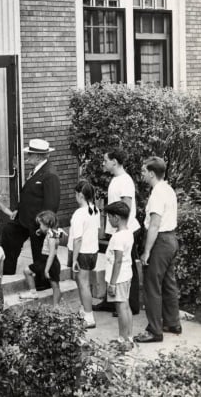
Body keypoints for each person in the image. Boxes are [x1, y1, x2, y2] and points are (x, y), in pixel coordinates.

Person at [2, 139, 60, 291]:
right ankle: (8, 268)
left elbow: (52, 203)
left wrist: (45, 226)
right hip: (24, 217)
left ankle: (44, 281)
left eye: (30, 154)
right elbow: (29, 194)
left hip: (38, 221)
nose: (27, 155)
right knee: (9, 232)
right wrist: (18, 209)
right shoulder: (37, 170)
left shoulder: (50, 174)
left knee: (40, 250)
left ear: (39, 156)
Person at [134, 156, 181, 344]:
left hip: (160, 241)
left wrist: (146, 252)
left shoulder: (156, 194)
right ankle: (172, 322)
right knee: (168, 283)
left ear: (152, 173)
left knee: (152, 286)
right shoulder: (168, 189)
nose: (142, 174)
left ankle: (155, 330)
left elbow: (154, 225)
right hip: (171, 239)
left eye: (144, 171)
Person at [94, 148, 141, 315]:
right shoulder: (115, 179)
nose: (103, 163)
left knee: (126, 265)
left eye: (106, 160)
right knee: (111, 262)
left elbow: (126, 206)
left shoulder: (125, 181)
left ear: (115, 162)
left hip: (126, 230)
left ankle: (131, 304)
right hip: (116, 229)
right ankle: (111, 301)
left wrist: (123, 231)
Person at [68, 180, 100, 329]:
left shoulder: (79, 214)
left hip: (82, 252)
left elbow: (78, 239)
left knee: (83, 283)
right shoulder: (95, 210)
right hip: (93, 251)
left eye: (75, 194)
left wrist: (74, 259)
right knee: (81, 281)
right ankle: (83, 310)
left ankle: (89, 316)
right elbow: (97, 231)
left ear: (80, 195)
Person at [103, 201, 134, 350]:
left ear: (116, 218)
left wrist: (112, 283)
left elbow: (118, 261)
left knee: (121, 308)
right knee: (126, 306)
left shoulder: (118, 238)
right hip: (126, 275)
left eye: (109, 217)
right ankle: (129, 337)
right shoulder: (128, 232)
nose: (109, 220)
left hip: (118, 278)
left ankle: (123, 340)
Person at [19, 210, 63, 307]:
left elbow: (51, 254)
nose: (39, 227)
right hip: (46, 260)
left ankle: (56, 306)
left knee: (55, 286)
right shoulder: (54, 232)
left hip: (48, 261)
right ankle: (34, 293)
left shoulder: (51, 236)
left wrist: (46, 270)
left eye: (40, 225)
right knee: (54, 285)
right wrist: (41, 231)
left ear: (47, 225)